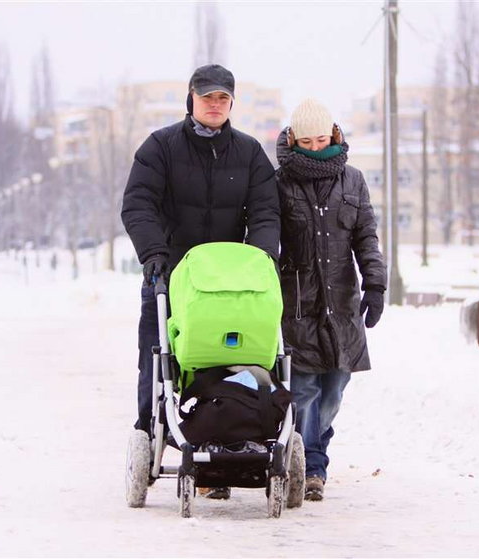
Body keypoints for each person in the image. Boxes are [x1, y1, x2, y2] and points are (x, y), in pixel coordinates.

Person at [121, 64, 280, 500]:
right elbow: (138, 204)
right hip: (170, 277)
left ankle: (225, 439)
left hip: (230, 282)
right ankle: (151, 431)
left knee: (228, 357)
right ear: (190, 98)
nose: (214, 104)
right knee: (161, 360)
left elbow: (265, 210)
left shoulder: (248, 154)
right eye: (207, 96)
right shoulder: (161, 148)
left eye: (223, 98)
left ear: (232, 103)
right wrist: (153, 251)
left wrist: (262, 257)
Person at [275, 99, 386, 501]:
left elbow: (365, 238)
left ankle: (309, 451)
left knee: (335, 387)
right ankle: (311, 466)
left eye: (322, 139)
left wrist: (376, 284)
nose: (316, 147)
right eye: (307, 141)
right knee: (303, 389)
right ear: (293, 139)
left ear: (335, 134)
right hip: (298, 304)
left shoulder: (353, 181)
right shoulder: (280, 182)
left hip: (342, 304)